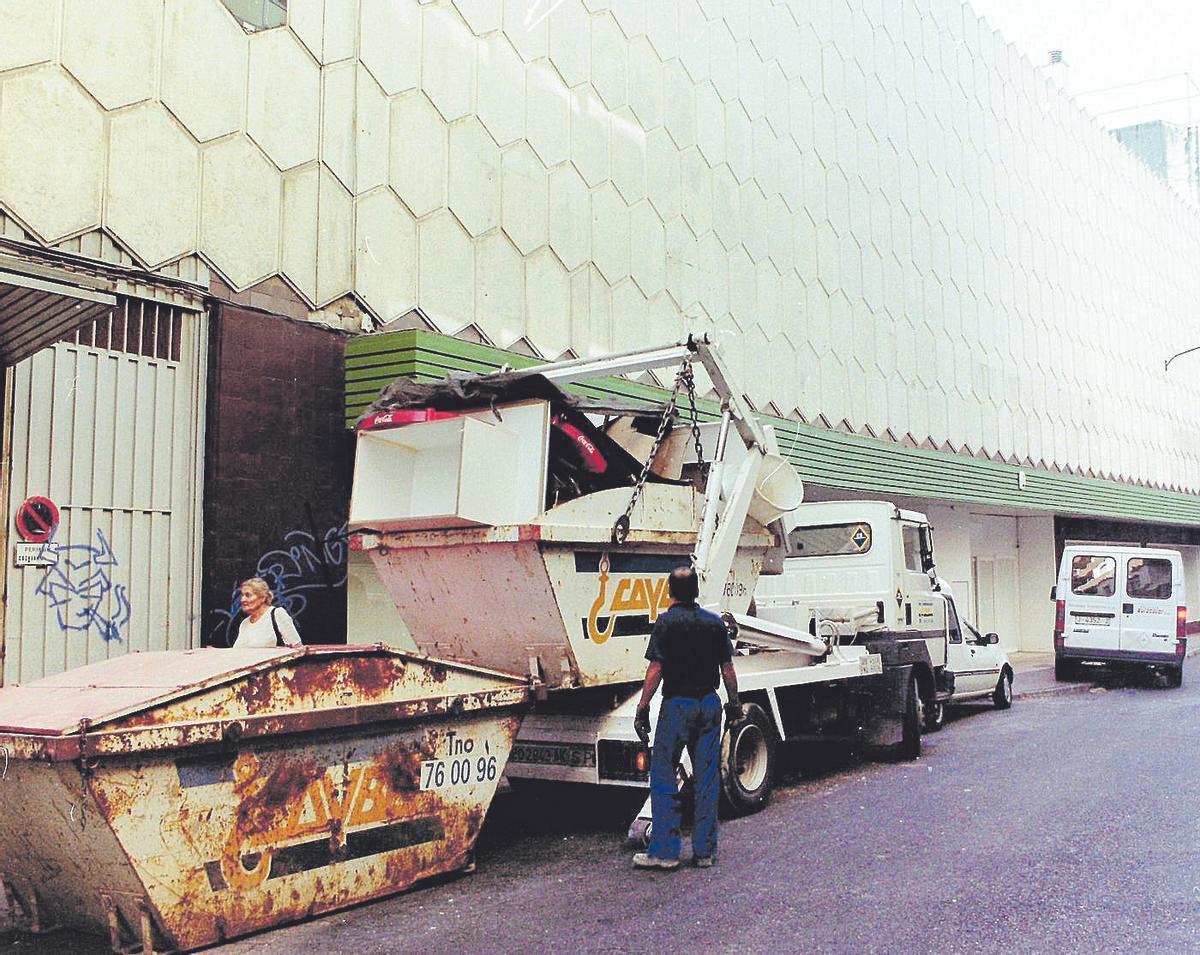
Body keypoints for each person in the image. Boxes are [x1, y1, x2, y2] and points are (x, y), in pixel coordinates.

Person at [632, 565, 741, 870]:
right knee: (706, 778)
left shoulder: (666, 623)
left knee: (664, 773)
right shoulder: (714, 624)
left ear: (670, 592)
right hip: (708, 703)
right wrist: (734, 704)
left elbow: (656, 670)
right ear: (696, 591)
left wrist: (642, 707)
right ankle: (704, 852)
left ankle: (664, 853)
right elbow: (728, 671)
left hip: (677, 705)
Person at [232, 577, 301, 648]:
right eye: (242, 595)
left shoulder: (277, 614)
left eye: (248, 595)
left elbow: (297, 649)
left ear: (263, 597)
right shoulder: (244, 623)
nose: (242, 600)